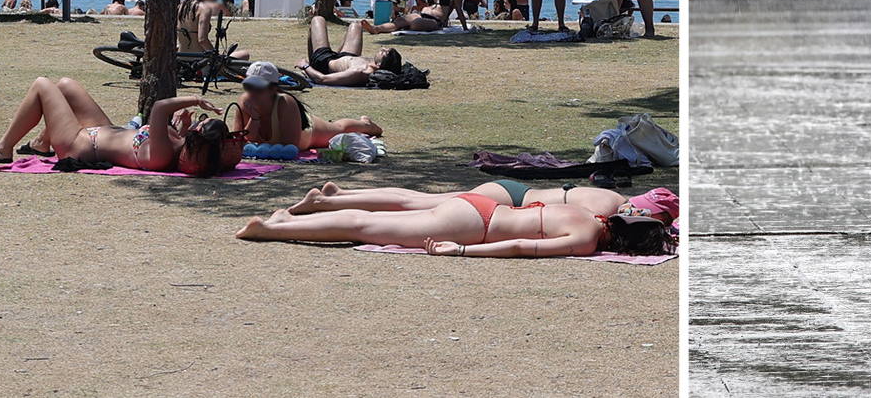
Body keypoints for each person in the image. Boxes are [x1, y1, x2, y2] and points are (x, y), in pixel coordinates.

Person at [236, 197, 676, 259]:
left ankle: (289, 220)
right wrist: (461, 250)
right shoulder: (586, 240)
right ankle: (269, 230)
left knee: (378, 222)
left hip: (480, 207)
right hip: (473, 226)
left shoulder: (590, 214)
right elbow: (519, 247)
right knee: (365, 227)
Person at [0, 77, 228, 174]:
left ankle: (3, 148)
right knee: (65, 85)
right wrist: (184, 126)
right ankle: (42, 143)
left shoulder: (163, 155)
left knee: (42, 85)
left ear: (199, 134)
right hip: (101, 131)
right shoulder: (176, 146)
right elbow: (175, 137)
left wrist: (195, 99)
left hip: (80, 145)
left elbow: (159, 108)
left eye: (202, 121)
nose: (200, 119)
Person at [288, 181, 680, 225]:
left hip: (513, 191)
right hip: (509, 203)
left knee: (418, 200)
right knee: (416, 206)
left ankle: (341, 196)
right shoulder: (609, 210)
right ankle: (328, 202)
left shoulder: (611, 196)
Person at [234, 62, 382, 151]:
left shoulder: (285, 103)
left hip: (307, 132)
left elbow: (289, 146)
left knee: (339, 128)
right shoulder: (244, 102)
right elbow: (238, 141)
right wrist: (255, 119)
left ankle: (366, 125)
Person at [299, 17, 403, 87]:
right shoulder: (374, 64)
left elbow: (322, 79)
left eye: (384, 52)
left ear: (379, 65)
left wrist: (306, 66)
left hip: (324, 62)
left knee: (318, 19)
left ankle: (312, 63)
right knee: (356, 26)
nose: (382, 48)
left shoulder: (359, 72)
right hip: (344, 57)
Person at [178, 0, 249, 60]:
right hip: (200, 60)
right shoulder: (204, 8)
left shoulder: (181, 6)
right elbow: (202, 39)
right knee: (244, 54)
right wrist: (216, 56)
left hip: (181, 58)